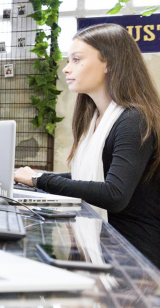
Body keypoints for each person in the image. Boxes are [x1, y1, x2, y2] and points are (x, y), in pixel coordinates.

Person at [14, 23, 160, 267]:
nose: (67, 68)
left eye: (76, 60)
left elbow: (114, 194)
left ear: (109, 63)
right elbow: (92, 176)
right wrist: (30, 178)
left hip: (136, 261)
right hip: (113, 249)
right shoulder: (96, 119)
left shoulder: (134, 120)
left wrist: (40, 179)